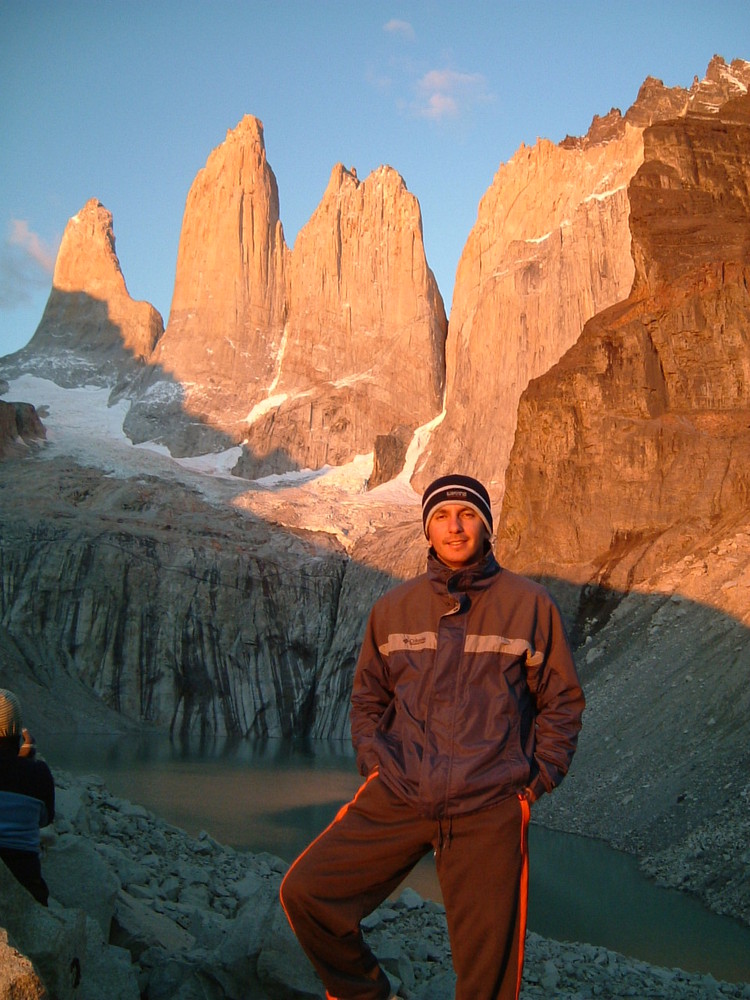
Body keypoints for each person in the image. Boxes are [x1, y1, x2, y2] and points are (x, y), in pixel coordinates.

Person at [280, 474, 585, 1000]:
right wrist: (376, 763)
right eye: (441, 516)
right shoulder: (393, 608)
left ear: (486, 526)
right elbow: (368, 698)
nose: (455, 526)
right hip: (399, 792)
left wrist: (532, 786)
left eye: (467, 514)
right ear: (427, 528)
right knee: (307, 894)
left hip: (488, 807)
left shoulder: (530, 605)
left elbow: (561, 702)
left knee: (487, 979)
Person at [0, 688, 55, 905]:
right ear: (20, 734)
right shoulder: (38, 773)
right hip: (26, 883)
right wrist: (26, 759)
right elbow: (45, 819)